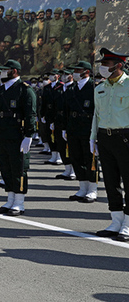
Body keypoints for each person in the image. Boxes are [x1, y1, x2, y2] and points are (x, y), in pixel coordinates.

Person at [0, 60, 37, 216]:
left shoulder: (24, 90)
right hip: (2, 133)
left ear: (14, 71)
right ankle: (10, 199)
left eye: (5, 70)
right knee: (5, 167)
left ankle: (19, 202)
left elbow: (30, 114)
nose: (1, 73)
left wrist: (29, 135)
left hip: (18, 134)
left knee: (19, 168)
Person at [90, 48, 129, 241]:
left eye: (106, 64)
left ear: (118, 65)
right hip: (105, 137)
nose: (103, 68)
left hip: (125, 138)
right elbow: (96, 116)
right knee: (111, 182)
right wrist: (93, 138)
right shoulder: (100, 87)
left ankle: (128, 224)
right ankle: (116, 220)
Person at [60, 61, 99, 203]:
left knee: (90, 159)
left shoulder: (94, 87)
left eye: (78, 70)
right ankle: (82, 187)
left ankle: (93, 189)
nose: (75, 73)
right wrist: (64, 128)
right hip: (73, 127)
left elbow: (98, 111)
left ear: (86, 72)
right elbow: (66, 110)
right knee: (76, 158)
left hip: (88, 127)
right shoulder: (71, 89)